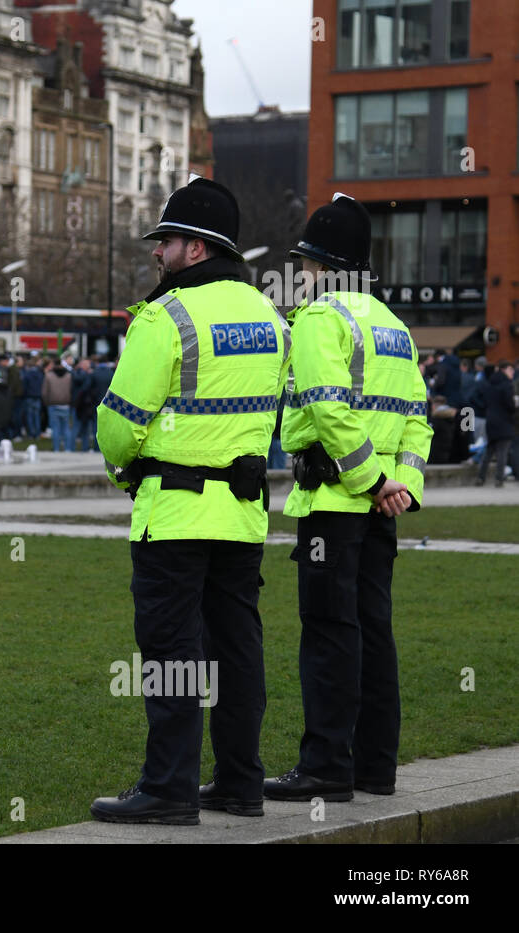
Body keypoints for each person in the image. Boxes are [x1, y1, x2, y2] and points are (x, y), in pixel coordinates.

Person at [90, 175, 289, 825]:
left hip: (174, 514)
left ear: (197, 249)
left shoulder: (166, 315)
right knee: (237, 650)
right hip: (241, 514)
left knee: (172, 657)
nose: (157, 252)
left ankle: (170, 788)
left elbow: (117, 424)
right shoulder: (270, 317)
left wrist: (128, 466)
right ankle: (239, 782)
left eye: (166, 240)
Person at [264, 193, 433, 803]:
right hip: (381, 511)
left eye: (305, 263)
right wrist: (401, 486)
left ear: (325, 265)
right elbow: (418, 419)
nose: (301, 274)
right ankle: (374, 768)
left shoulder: (318, 319)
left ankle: (325, 768)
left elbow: (329, 410)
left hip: (335, 505)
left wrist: (366, 481)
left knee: (330, 634)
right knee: (374, 632)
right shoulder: (393, 326)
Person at [476, 360, 515, 487]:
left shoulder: (490, 384)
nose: (512, 372)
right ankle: (499, 479)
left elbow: (483, 401)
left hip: (491, 421)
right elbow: (510, 405)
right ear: (504, 370)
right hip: (504, 422)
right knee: (502, 452)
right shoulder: (507, 385)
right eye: (510, 369)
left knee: (489, 452)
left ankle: (481, 478)